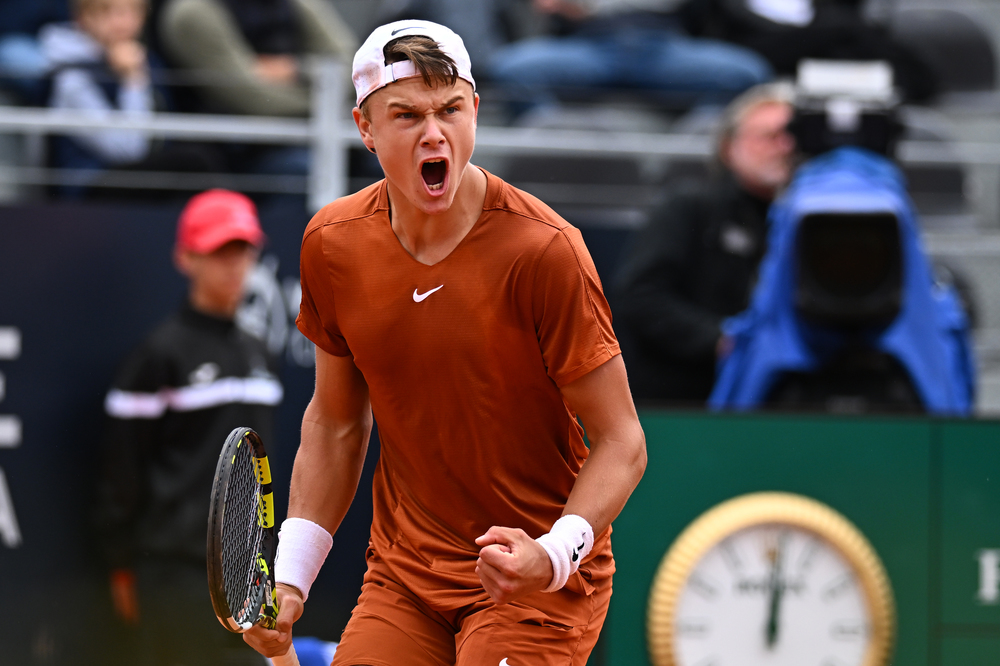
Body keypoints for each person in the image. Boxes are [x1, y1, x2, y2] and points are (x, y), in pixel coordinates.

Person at [243, 20, 647, 666]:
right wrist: (290, 579)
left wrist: (552, 554)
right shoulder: (333, 243)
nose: (435, 134)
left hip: (533, 583)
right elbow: (337, 425)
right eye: (406, 115)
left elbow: (623, 441)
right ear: (365, 128)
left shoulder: (546, 251)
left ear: (475, 112)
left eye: (451, 109)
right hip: (406, 576)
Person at [95, 189, 283, 666]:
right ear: (186, 258)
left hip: (253, 579)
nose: (233, 264)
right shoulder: (159, 355)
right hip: (175, 577)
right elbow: (121, 472)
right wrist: (121, 567)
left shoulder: (258, 351)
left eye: (241, 250)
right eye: (220, 251)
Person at [615, 83, 795, 405]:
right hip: (682, 402)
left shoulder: (808, 222)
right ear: (729, 146)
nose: (784, 147)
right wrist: (722, 340)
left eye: (792, 138)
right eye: (769, 136)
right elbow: (639, 295)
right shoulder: (689, 207)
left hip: (782, 404)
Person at [39, 0, 223, 197]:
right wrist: (133, 79)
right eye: (107, 12)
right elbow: (127, 150)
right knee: (192, 161)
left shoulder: (149, 60)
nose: (122, 23)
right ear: (82, 18)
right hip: (89, 188)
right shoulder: (71, 77)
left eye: (132, 12)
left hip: (136, 175)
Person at [489, 0, 773, 116]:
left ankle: (702, 139)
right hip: (594, 43)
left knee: (749, 73)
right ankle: (551, 135)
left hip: (661, 44)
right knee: (510, 69)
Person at [157, 0, 357, 117]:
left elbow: (357, 70)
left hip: (316, 131)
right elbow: (254, 100)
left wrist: (297, 69)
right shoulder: (193, 13)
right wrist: (334, 109)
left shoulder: (297, 5)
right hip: (240, 149)